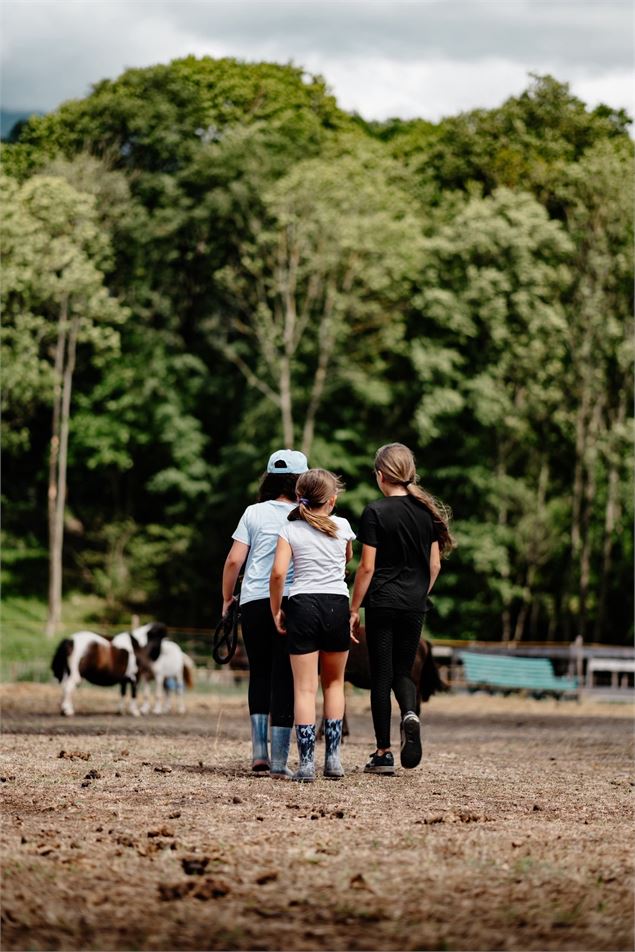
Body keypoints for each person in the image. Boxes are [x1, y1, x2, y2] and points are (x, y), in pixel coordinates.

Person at [349, 443, 454, 775]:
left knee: (381, 677)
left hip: (381, 602)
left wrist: (353, 608)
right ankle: (410, 714)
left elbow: (366, 568)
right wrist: (419, 593)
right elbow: (434, 565)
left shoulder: (375, 511)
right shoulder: (427, 514)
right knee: (403, 673)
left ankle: (383, 753)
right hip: (414, 604)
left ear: (381, 475)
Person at [221, 449, 308, 777]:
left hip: (255, 600)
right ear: (302, 480)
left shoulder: (253, 512)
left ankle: (259, 753)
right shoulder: (305, 514)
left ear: (269, 479)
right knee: (285, 675)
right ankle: (279, 761)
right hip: (291, 600)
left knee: (259, 672)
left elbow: (233, 561)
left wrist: (227, 599)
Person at [270, 469, 355, 782]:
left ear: (299, 497)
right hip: (336, 605)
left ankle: (306, 764)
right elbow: (347, 559)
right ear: (331, 501)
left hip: (302, 605)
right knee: (334, 684)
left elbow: (278, 574)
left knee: (304, 689)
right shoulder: (343, 526)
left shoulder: (289, 528)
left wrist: (277, 608)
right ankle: (333, 761)